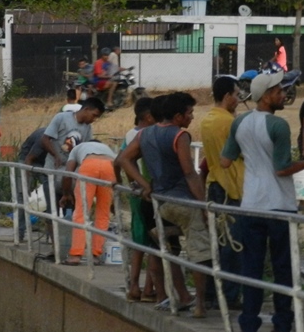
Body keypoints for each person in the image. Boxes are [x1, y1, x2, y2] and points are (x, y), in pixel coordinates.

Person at [221, 72, 304, 332]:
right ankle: (282, 326)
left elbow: (226, 161)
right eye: (279, 91)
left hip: (251, 205)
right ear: (266, 95)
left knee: (252, 267)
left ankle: (249, 325)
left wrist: (253, 161)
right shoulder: (278, 125)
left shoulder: (240, 123)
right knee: (283, 268)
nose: (284, 95)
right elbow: (282, 169)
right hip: (280, 206)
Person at [117, 91, 209, 318]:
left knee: (168, 250)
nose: (192, 117)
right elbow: (189, 173)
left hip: (160, 202)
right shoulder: (180, 136)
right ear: (178, 116)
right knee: (200, 252)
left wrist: (144, 185)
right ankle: (200, 306)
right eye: (189, 113)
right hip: (182, 201)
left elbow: (124, 159)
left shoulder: (145, 134)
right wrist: (203, 205)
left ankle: (165, 234)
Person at [201, 75, 245, 310]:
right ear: (227, 96)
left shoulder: (207, 120)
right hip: (233, 188)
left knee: (216, 243)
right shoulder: (230, 123)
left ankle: (210, 291)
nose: (238, 100)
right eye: (237, 95)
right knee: (233, 244)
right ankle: (229, 296)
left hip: (215, 185)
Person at [117, 97, 159, 302]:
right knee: (154, 242)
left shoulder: (130, 134)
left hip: (135, 193)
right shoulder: (145, 135)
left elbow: (118, 161)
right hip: (148, 194)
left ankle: (134, 285)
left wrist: (119, 182)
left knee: (139, 242)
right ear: (149, 116)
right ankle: (149, 289)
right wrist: (144, 184)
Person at [60, 140, 117, 265]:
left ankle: (75, 255)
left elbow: (67, 174)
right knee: (103, 214)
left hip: (89, 166)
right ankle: (96, 255)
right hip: (110, 167)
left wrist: (66, 194)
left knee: (81, 212)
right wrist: (113, 202)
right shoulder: (107, 148)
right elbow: (118, 167)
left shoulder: (77, 148)